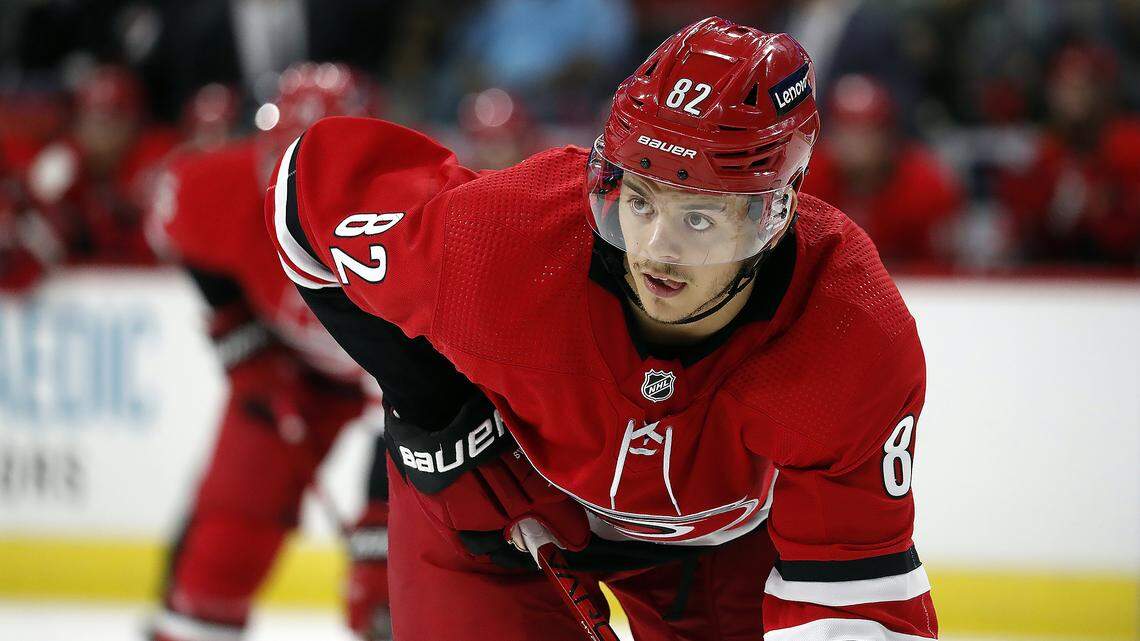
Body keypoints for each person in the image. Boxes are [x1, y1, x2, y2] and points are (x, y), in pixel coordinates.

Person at [269, 18, 937, 641]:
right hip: (498, 515)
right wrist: (435, 406)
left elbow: (857, 594)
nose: (655, 249)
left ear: (774, 212)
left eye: (698, 219)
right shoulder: (505, 243)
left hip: (715, 549)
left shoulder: (848, 329)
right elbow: (304, 197)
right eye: (638, 201)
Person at [148, 63, 391, 641]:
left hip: (407, 398)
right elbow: (175, 225)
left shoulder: (421, 227)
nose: (296, 191)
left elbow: (424, 399)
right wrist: (239, 332)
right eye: (283, 164)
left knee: (396, 591)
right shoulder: (224, 188)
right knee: (223, 552)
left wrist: (381, 528)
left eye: (317, 172)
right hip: (291, 369)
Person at [803, 74, 962, 270]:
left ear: (888, 134)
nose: (856, 143)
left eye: (867, 131)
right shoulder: (808, 177)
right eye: (846, 129)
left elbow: (942, 267)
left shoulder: (926, 185)